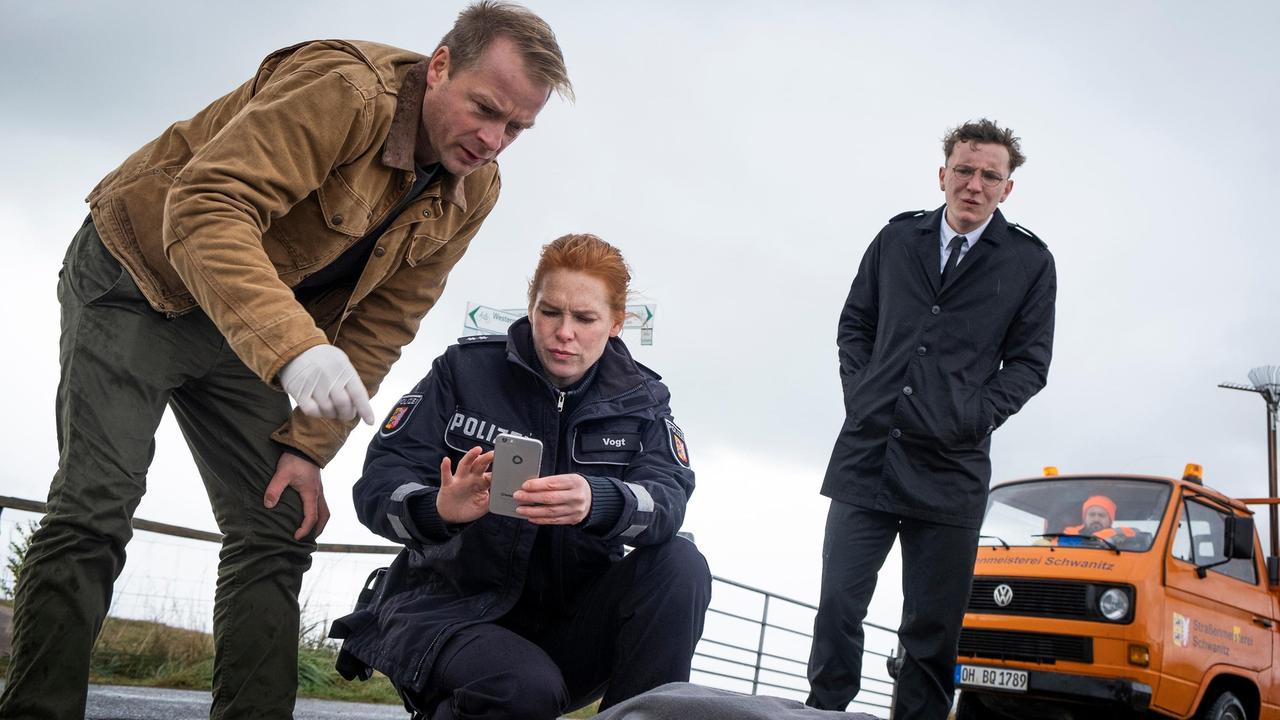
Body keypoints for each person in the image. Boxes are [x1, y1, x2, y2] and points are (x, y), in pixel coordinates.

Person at [0, 4, 571, 719]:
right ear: (439, 67)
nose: (493, 140)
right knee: (95, 507)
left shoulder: (474, 189)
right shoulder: (343, 91)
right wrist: (296, 351)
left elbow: (386, 321)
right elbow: (204, 206)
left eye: (516, 128)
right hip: (140, 280)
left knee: (279, 525)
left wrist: (309, 447)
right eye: (485, 109)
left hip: (253, 325)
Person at [331, 234, 712, 720]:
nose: (563, 332)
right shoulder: (462, 371)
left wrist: (601, 501)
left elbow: (667, 500)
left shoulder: (644, 399)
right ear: (530, 307)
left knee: (681, 562)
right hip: (446, 614)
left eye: (585, 318)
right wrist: (438, 508)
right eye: (550, 312)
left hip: (568, 626)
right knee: (521, 687)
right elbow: (379, 482)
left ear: (616, 325)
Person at [806, 119, 1056, 718]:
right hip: (869, 453)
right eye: (964, 171)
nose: (974, 184)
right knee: (839, 604)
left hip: (952, 468)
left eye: (989, 176)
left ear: (1007, 189)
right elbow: (855, 325)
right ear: (942, 174)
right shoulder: (896, 240)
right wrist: (862, 394)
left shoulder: (1029, 262)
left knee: (931, 628)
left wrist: (972, 418)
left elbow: (1030, 364)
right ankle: (820, 713)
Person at [1064, 495, 1136, 540]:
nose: (1096, 519)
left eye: (1102, 515)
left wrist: (1108, 534)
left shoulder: (1118, 535)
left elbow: (1136, 532)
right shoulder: (1070, 533)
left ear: (1110, 520)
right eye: (1092, 514)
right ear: (1084, 518)